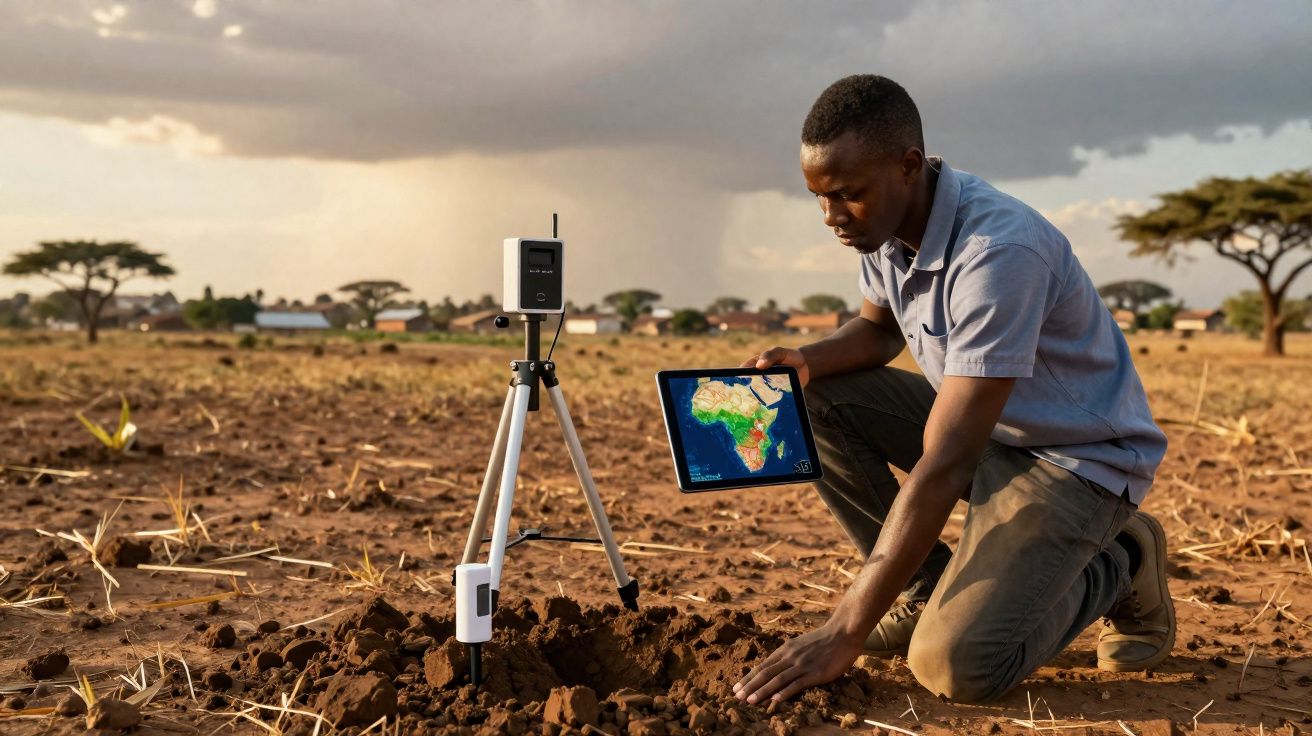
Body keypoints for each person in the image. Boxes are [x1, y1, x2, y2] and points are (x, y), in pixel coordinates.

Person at [731, 75, 1172, 705]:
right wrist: (804, 359)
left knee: (955, 667)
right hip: (990, 433)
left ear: (909, 166)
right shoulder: (884, 228)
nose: (830, 217)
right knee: (811, 396)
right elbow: (879, 332)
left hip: (1075, 462)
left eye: (847, 195)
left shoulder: (999, 253)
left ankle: (1121, 560)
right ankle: (923, 589)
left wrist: (842, 630)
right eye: (819, 198)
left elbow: (945, 461)